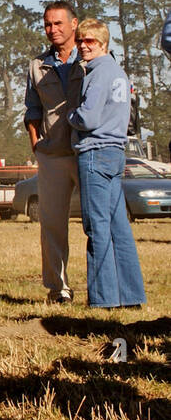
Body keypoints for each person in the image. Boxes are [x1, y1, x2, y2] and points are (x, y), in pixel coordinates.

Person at [68, 20, 145, 309]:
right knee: (118, 227)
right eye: (80, 41)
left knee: (96, 227)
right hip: (116, 152)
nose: (83, 46)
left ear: (103, 43)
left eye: (89, 41)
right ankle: (131, 295)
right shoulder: (118, 73)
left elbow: (88, 118)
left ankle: (103, 299)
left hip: (95, 151)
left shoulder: (98, 73)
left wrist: (70, 117)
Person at [24, 1, 83, 304]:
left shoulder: (90, 59)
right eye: (48, 24)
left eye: (59, 23)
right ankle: (58, 289)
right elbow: (32, 109)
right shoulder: (37, 65)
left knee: (97, 222)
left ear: (74, 24)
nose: (53, 30)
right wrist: (37, 144)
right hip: (52, 155)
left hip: (86, 152)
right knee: (52, 224)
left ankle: (104, 289)